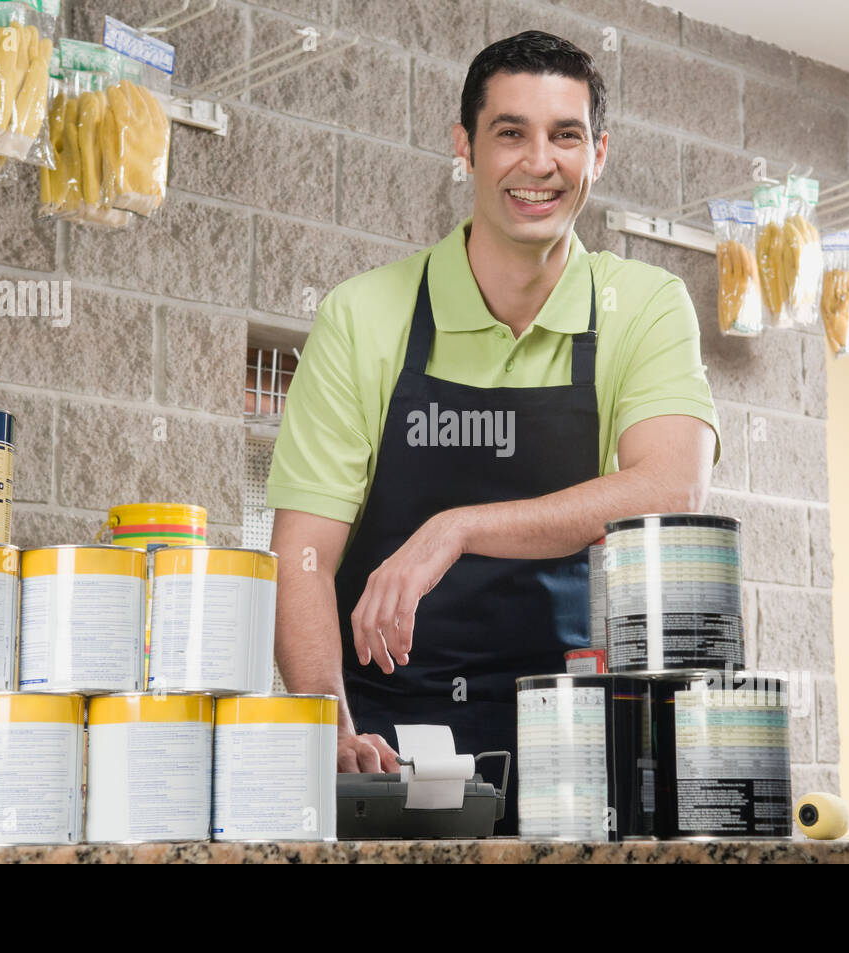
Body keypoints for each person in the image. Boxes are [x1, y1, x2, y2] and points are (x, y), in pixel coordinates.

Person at [266, 30, 720, 835]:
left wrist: (457, 529)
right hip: (386, 752)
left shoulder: (644, 305)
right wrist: (327, 726)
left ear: (599, 153)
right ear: (465, 147)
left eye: (565, 135)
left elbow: (671, 487)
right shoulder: (364, 316)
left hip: (570, 753)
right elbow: (303, 556)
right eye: (511, 132)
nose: (539, 163)